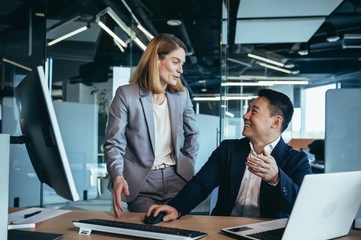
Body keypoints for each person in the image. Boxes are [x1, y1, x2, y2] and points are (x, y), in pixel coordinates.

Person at [147, 88, 312, 222]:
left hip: (268, 234)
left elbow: (302, 207)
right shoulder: (228, 149)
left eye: (253, 111)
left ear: (276, 122)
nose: (245, 116)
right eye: (247, 110)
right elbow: (201, 184)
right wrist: (176, 207)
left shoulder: (297, 160)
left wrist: (276, 178)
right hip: (224, 230)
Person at [104, 33, 200, 218]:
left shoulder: (181, 95)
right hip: (142, 184)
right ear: (156, 58)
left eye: (182, 64)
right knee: (150, 228)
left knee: (180, 229)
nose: (181, 69)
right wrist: (117, 175)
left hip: (177, 178)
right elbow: (114, 142)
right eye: (175, 62)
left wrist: (188, 161)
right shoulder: (126, 95)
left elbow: (193, 133)